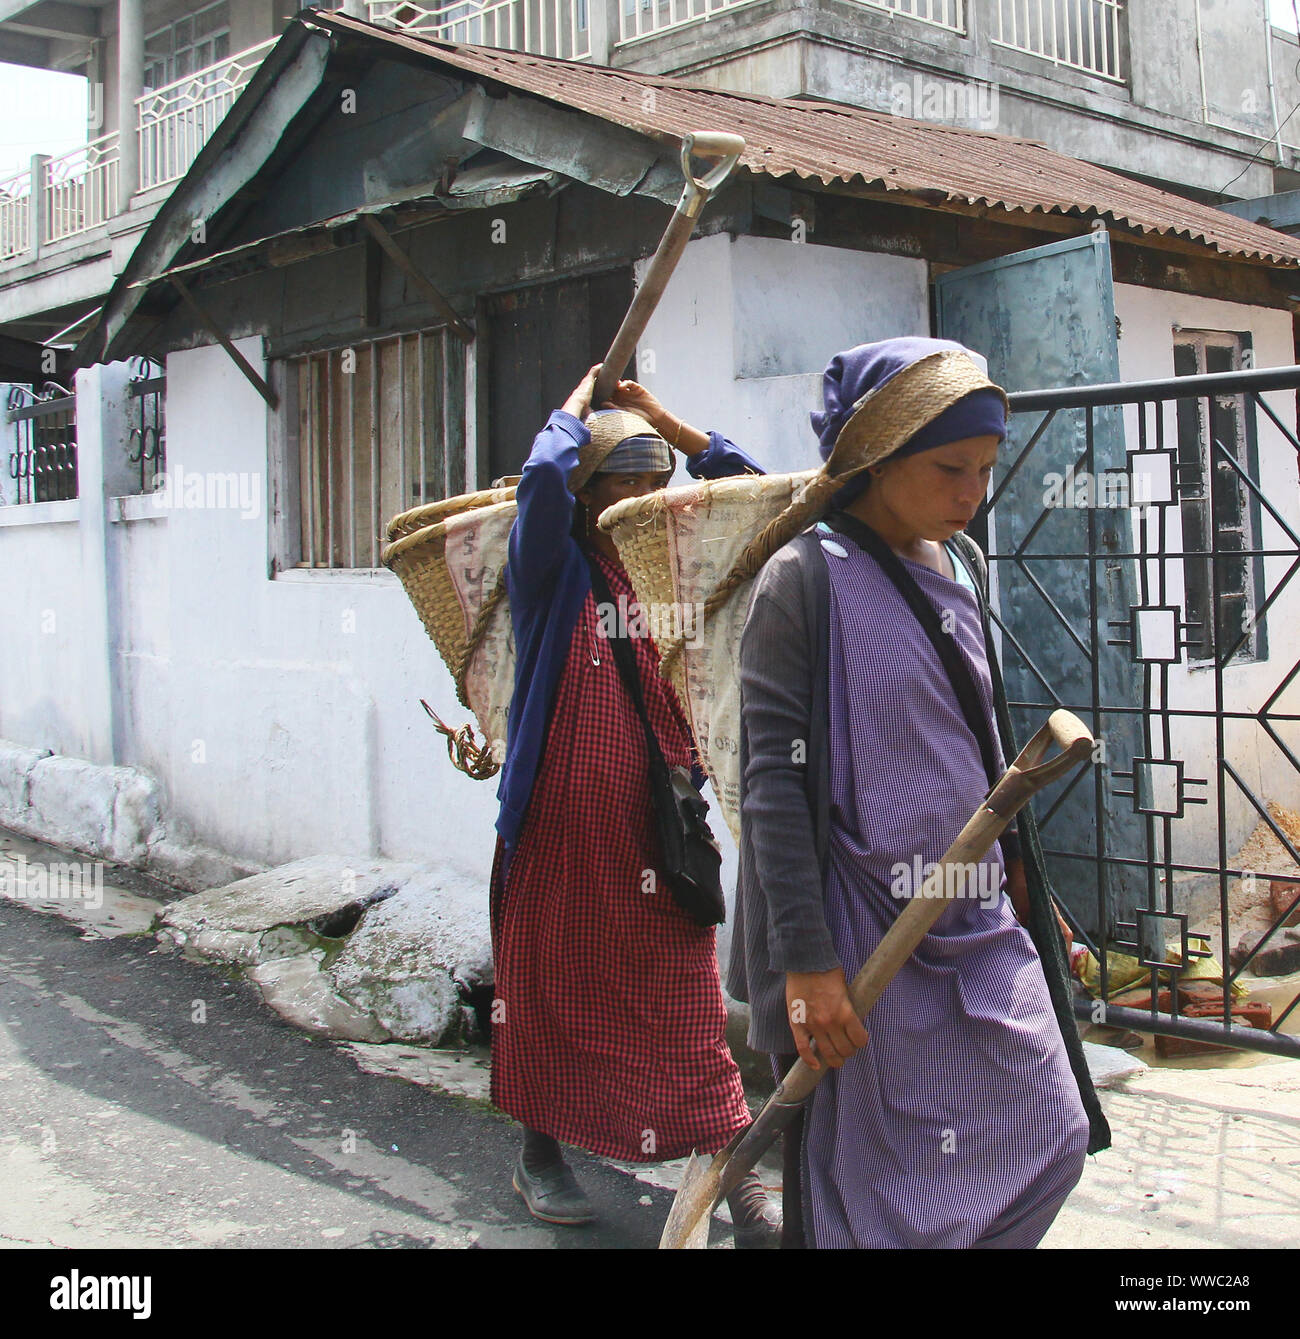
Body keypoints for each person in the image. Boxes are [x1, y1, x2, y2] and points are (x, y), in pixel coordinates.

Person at [728, 337, 1109, 1249]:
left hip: (968, 914)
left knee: (1050, 1128)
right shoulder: (803, 581)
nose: (973, 491)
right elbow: (772, 783)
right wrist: (809, 966)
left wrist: (1027, 885)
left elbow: (976, 747)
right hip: (860, 930)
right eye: (950, 468)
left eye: (985, 467)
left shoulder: (963, 567)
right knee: (867, 1188)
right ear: (876, 456)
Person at [490, 363, 779, 1245]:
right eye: (627, 488)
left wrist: (666, 422)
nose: (646, 505)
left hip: (660, 833)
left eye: (657, 488)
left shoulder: (675, 578)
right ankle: (541, 1154)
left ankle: (738, 1187)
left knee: (686, 1002)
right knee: (548, 990)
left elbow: (755, 498)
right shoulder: (552, 576)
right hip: (556, 833)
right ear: (587, 499)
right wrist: (576, 406)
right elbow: (541, 478)